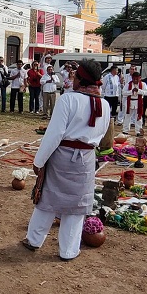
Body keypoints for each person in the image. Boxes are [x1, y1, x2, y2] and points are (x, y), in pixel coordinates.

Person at [21, 59, 111, 262]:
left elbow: (54, 135)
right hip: (87, 159)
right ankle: (68, 251)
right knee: (77, 206)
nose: (72, 78)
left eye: (75, 75)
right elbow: (103, 134)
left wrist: (39, 160)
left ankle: (34, 241)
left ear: (80, 79)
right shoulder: (104, 104)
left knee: (47, 199)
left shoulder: (68, 100)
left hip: (62, 156)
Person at [122, 71, 147, 136]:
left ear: (140, 78)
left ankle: (138, 131)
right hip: (129, 101)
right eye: (134, 79)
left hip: (138, 102)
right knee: (127, 116)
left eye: (137, 79)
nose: (135, 80)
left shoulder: (143, 84)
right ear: (132, 78)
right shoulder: (128, 84)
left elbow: (146, 92)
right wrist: (131, 91)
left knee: (138, 117)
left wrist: (138, 91)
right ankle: (125, 130)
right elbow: (123, 92)